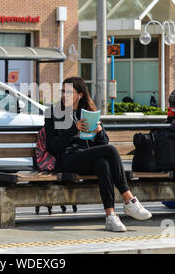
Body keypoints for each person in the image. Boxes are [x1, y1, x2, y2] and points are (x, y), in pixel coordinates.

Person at [44, 77, 152, 232]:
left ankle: (110, 216)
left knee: (103, 164)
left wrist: (99, 133)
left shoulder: (87, 113)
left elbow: (102, 143)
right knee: (111, 150)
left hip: (86, 159)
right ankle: (129, 199)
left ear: (79, 95)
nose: (63, 95)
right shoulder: (52, 114)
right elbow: (52, 148)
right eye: (62, 91)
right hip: (67, 160)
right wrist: (74, 129)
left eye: (68, 92)